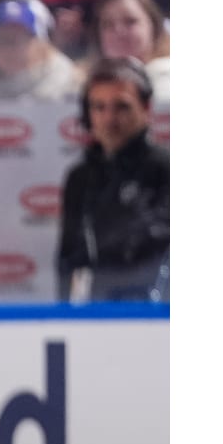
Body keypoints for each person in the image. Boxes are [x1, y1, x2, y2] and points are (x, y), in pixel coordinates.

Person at [56, 58, 167, 301]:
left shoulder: (167, 169)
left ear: (146, 108)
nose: (110, 118)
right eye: (99, 107)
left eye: (122, 107)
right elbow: (68, 261)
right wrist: (66, 315)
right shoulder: (80, 178)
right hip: (100, 309)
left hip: (159, 310)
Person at [0, 0, 81, 103]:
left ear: (36, 44)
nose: (10, 49)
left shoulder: (63, 78)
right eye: (4, 40)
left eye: (18, 40)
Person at [88, 0, 169, 104]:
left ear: (154, 27)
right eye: (108, 24)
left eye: (130, 21)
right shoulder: (81, 85)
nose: (119, 31)